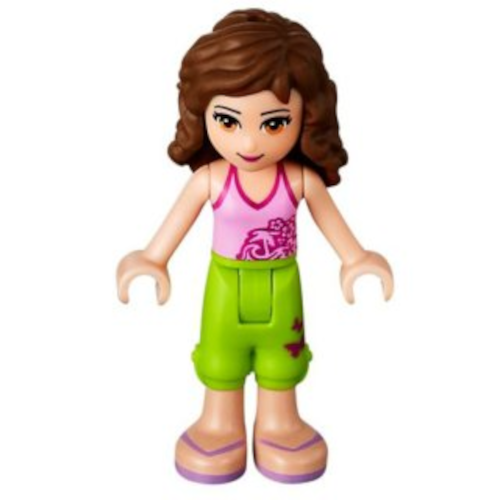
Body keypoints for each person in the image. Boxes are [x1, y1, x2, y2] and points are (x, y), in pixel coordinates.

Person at [117, 8, 394, 484]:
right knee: (220, 357)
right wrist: (152, 259)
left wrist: (356, 260)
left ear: (306, 116)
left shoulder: (300, 181)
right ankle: (218, 423)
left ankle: (279, 424)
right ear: (202, 114)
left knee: (282, 360)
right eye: (228, 121)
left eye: (273, 123)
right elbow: (170, 231)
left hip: (282, 286)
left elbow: (336, 229)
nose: (248, 141)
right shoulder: (210, 179)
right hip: (225, 287)